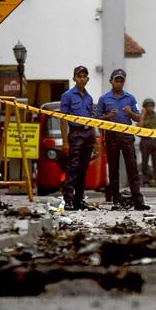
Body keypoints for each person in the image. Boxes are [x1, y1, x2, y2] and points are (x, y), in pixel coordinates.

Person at [97, 68, 148, 210]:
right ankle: (116, 201)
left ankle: (138, 201)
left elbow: (139, 118)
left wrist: (130, 112)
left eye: (121, 80)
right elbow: (96, 118)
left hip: (127, 136)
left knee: (132, 169)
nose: (119, 83)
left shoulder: (130, 98)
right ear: (111, 81)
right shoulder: (104, 98)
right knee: (114, 170)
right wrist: (108, 117)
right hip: (111, 136)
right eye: (116, 80)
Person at [58, 65, 97, 211]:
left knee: (83, 169)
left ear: (87, 79)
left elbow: (91, 119)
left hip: (88, 135)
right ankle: (68, 199)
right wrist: (65, 141)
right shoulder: (67, 96)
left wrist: (95, 141)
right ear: (74, 78)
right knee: (72, 168)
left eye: (84, 76)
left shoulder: (89, 97)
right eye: (79, 76)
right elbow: (62, 119)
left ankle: (79, 200)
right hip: (75, 134)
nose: (81, 79)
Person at [138, 99, 156, 186]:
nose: (150, 108)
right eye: (148, 106)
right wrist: (142, 115)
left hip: (155, 141)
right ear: (145, 107)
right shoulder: (142, 116)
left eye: (151, 106)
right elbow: (139, 127)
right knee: (145, 161)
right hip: (145, 140)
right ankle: (145, 179)